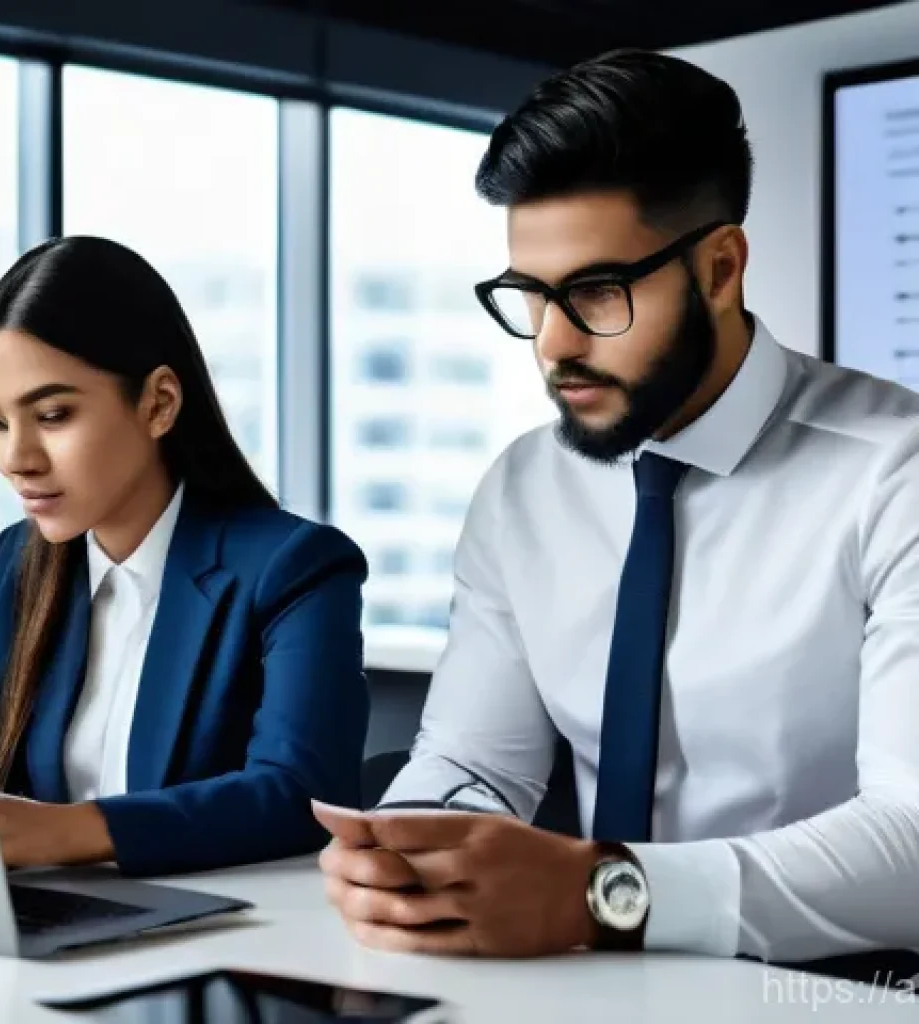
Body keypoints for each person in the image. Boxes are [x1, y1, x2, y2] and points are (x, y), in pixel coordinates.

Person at [318, 49, 919, 978]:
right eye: (530, 295)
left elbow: (912, 842)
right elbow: (477, 762)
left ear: (720, 268)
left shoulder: (896, 474)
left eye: (596, 292)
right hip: (598, 979)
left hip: (848, 990)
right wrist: (408, 850)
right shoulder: (524, 491)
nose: (553, 345)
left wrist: (602, 891)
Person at [0, 235, 370, 878]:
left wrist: (67, 832)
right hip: (51, 920)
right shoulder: (19, 565)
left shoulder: (294, 567)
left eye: (53, 414)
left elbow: (301, 796)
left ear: (158, 404)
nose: (17, 458)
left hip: (217, 940)